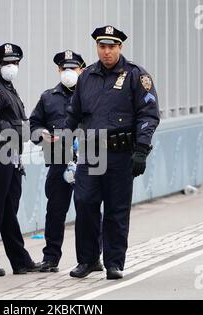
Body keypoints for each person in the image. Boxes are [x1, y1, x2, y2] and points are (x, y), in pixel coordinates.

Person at [65, 25, 160, 280]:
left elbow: (148, 114)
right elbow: (72, 115)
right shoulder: (86, 77)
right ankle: (88, 259)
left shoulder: (135, 76)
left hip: (120, 154)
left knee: (116, 209)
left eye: (112, 47)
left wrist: (141, 149)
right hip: (91, 153)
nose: (106, 52)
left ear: (120, 47)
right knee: (85, 204)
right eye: (102, 46)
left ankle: (114, 262)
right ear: (97, 47)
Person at [30, 50, 98, 272]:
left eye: (73, 68)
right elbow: (34, 124)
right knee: (56, 211)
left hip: (87, 161)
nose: (69, 72)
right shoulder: (48, 97)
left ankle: (92, 257)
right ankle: (50, 259)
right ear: (58, 70)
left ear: (82, 70)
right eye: (64, 68)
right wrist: (41, 134)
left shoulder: (93, 94)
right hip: (58, 161)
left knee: (89, 209)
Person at [0, 43, 41, 277]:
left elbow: (21, 122)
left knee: (8, 208)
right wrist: (15, 127)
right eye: (6, 63)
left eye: (14, 63)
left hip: (12, 155)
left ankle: (20, 261)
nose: (11, 67)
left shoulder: (9, 89)